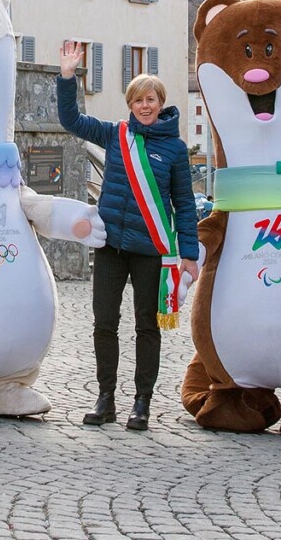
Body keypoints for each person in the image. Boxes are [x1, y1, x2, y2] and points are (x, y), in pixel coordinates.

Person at [57, 41, 200, 431]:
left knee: (146, 326)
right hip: (110, 248)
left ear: (161, 103)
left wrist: (189, 254)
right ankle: (106, 399)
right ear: (130, 104)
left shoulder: (174, 150)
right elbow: (72, 121)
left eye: (151, 99)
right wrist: (68, 77)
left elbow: (185, 206)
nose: (144, 106)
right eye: (138, 100)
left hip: (149, 250)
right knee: (104, 322)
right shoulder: (116, 135)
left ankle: (142, 401)